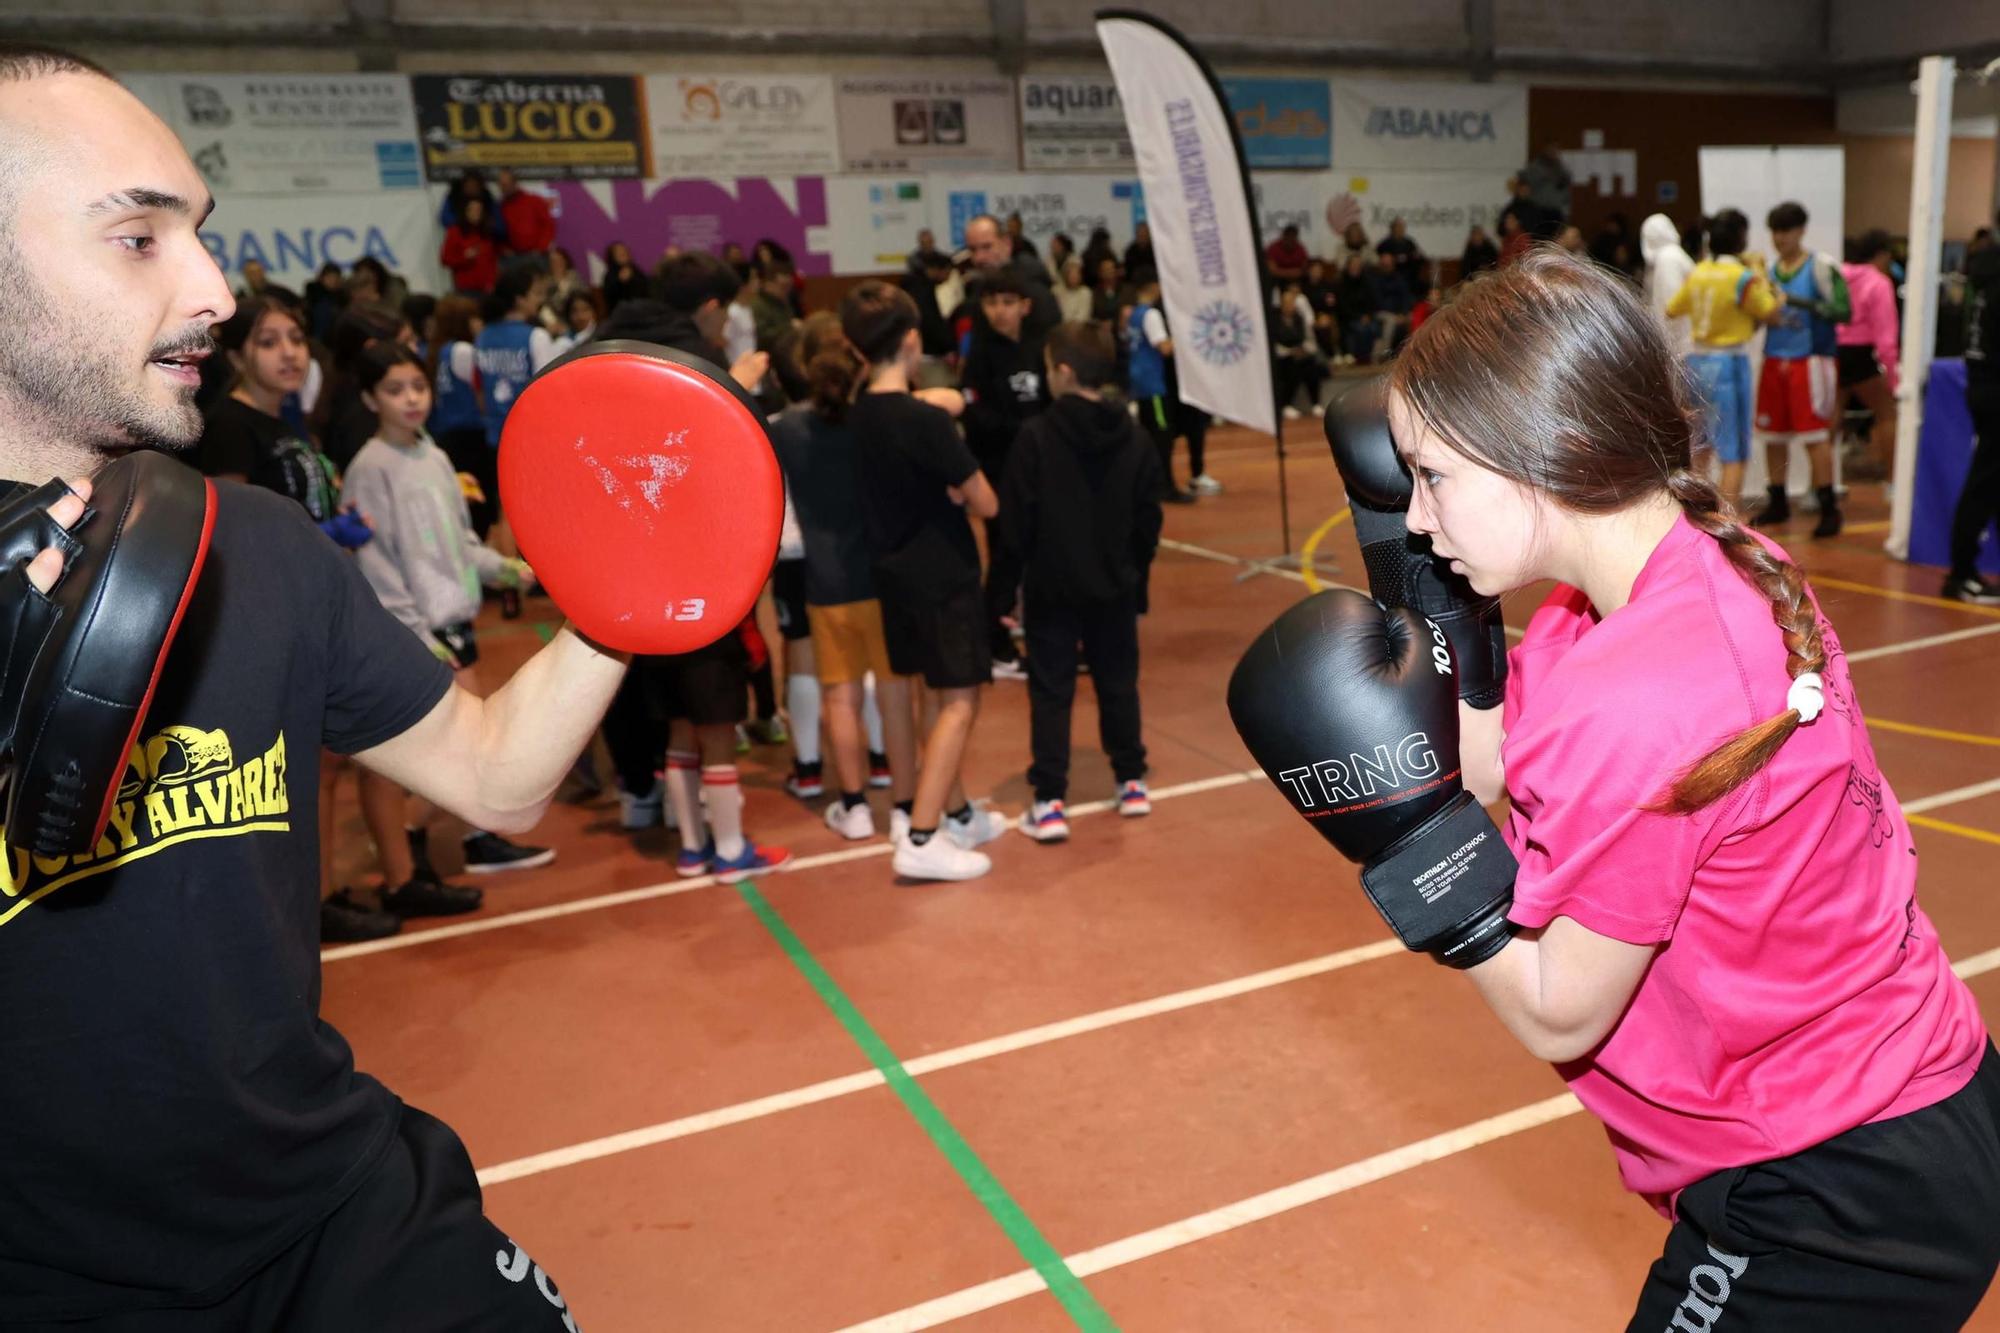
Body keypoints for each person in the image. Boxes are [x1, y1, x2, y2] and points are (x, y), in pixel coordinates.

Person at [0, 45, 621, 1326]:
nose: (216, 292)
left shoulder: (258, 548)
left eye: (203, 236)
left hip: (334, 1212)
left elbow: (495, 774)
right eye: (138, 241)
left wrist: (629, 609)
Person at [1356, 247, 1999, 1331]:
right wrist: (1439, 603)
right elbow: (1500, 770)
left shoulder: (1648, 691)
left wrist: (1412, 847)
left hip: (1834, 1185)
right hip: (1905, 1093)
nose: (1416, 515)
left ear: (1546, 452)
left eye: (1433, 478)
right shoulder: (1674, 568)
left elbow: (1561, 1009)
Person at [591, 255, 791, 883]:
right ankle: (731, 851)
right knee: (716, 726)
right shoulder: (691, 364)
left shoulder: (605, 343)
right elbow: (718, 444)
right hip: (698, 572)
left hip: (637, 573)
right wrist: (740, 384)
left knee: (678, 722)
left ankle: (690, 846)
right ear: (709, 308)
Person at [345, 341, 552, 887]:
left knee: (468, 748)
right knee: (461, 754)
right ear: (371, 398)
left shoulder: (434, 457)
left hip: (456, 623)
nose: (411, 399)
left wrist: (507, 570)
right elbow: (378, 564)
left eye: (418, 387)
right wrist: (415, 632)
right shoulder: (370, 468)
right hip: (422, 632)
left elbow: (460, 546)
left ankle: (450, 836)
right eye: (394, 390)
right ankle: (414, 843)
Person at [841, 280, 1005, 880]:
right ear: (912, 341)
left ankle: (956, 811)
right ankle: (923, 834)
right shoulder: (925, 423)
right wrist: (960, 488)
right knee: (959, 700)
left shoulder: (857, 415)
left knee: (935, 693)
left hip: (893, 576)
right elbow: (987, 502)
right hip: (944, 575)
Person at [1001, 322, 1162, 843]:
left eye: (1048, 366)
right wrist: (1135, 576)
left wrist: (1005, 591)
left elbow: (1015, 524)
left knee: (1052, 691)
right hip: (1114, 587)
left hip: (1051, 589)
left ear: (1064, 373)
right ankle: (1130, 780)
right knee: (1118, 682)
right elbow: (1147, 520)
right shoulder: (1135, 438)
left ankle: (1050, 800)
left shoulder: (1035, 437)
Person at [768, 314, 916, 838]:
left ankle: (853, 807)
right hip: (881, 578)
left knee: (840, 697)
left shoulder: (783, 430)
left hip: (825, 587)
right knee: (894, 695)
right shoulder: (870, 421)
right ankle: (904, 810)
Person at [961, 266, 1050, 676]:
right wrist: (1021, 430)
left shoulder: (1039, 348)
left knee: (1039, 553)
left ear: (1025, 306)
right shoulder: (979, 354)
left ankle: (1031, 622)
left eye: (1009, 302)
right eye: (993, 302)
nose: (1000, 311)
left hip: (1040, 470)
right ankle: (994, 642)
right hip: (999, 472)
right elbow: (975, 415)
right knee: (1004, 555)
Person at [1666, 208, 1779, 505]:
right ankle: (1729, 519)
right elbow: (1770, 311)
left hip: (1695, 362)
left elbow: (1672, 308)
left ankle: (1697, 512)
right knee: (1734, 449)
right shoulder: (1742, 277)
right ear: (1741, 238)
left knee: (1700, 444)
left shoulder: (1698, 272)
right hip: (1729, 364)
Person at [1752, 201, 1849, 537]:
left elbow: (1843, 310)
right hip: (1774, 359)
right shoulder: (1769, 272)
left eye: (1786, 231)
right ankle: (1777, 501)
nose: (1780, 238)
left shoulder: (1821, 267)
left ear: (1801, 231)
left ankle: (1828, 507)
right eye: (1775, 232)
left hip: (1810, 360)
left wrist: (1794, 302)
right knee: (1772, 435)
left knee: (1814, 435)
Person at [1944, 208, 2000, 602]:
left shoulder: (1982, 265)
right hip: (1995, 387)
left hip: (1981, 381)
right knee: (1985, 480)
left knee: (1991, 479)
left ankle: (1964, 570)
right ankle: (1961, 574)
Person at [1836, 229, 1900, 482]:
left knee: (1830, 420)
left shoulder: (1839, 276)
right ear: (1882, 255)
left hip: (1834, 351)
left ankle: (1820, 488)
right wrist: (1893, 377)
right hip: (1862, 354)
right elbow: (1886, 337)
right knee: (1887, 415)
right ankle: (1893, 481)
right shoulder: (1879, 282)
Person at [1126, 277, 1198, 502]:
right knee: (1162, 436)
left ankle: (1151, 484)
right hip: (1152, 383)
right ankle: (1164, 486)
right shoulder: (1151, 314)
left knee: (1151, 434)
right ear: (1154, 288)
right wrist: (1184, 338)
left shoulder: (1133, 315)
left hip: (1139, 379)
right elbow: (1164, 347)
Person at [1640, 212, 1695, 361]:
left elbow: (1671, 304)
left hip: (1680, 345)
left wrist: (1668, 343)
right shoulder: (1673, 255)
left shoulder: (1668, 259)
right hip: (1683, 342)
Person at [1272, 278, 1327, 418]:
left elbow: (1306, 338)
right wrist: (1289, 351)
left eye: (1292, 303)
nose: (1291, 306)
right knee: (1292, 368)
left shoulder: (1299, 318)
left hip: (1299, 353)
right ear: (1282, 305)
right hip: (1281, 356)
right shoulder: (1274, 319)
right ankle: (1286, 404)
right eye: (1288, 304)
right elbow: (1273, 343)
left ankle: (1315, 403)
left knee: (1312, 366)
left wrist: (1303, 349)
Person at [439, 195, 500, 296]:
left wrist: (492, 282)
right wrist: (464, 257)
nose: (476, 213)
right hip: (465, 289)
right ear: (465, 212)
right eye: (472, 210)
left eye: (478, 210)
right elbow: (445, 259)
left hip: (486, 289)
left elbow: (492, 261)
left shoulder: (486, 233)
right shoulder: (455, 232)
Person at [493, 167, 555, 258]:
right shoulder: (500, 207)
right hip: (514, 258)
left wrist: (540, 248)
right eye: (501, 185)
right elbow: (498, 234)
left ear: (514, 183)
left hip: (537, 255)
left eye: (506, 185)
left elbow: (548, 225)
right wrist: (503, 249)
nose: (504, 188)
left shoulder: (534, 201)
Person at [600, 239, 648, 311]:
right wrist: (620, 282)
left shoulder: (635, 269)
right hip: (622, 313)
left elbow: (646, 286)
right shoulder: (610, 275)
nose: (623, 253)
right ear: (612, 256)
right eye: (619, 252)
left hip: (642, 309)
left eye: (624, 250)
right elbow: (610, 297)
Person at [1056, 256, 1093, 323]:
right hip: (1060, 328)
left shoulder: (1085, 292)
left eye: (1077, 273)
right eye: (1071, 273)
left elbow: (1083, 316)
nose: (1074, 276)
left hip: (1080, 329)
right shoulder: (1057, 291)